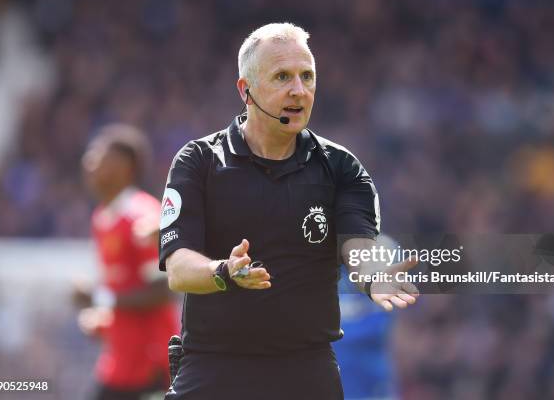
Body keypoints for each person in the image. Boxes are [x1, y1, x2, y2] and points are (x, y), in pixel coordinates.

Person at [159, 23, 419, 399]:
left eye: (307, 76)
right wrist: (224, 272)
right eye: (282, 77)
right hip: (214, 367)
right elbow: (179, 269)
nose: (299, 90)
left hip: (306, 370)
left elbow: (357, 242)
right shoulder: (198, 161)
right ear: (245, 90)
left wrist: (371, 275)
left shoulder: (342, 168)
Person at [74, 123, 179, 400]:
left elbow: (163, 291)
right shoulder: (102, 218)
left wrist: (101, 299)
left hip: (149, 365)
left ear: (124, 166)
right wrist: (105, 320)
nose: (89, 163)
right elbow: (125, 289)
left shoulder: (142, 218)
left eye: (98, 156)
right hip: (119, 362)